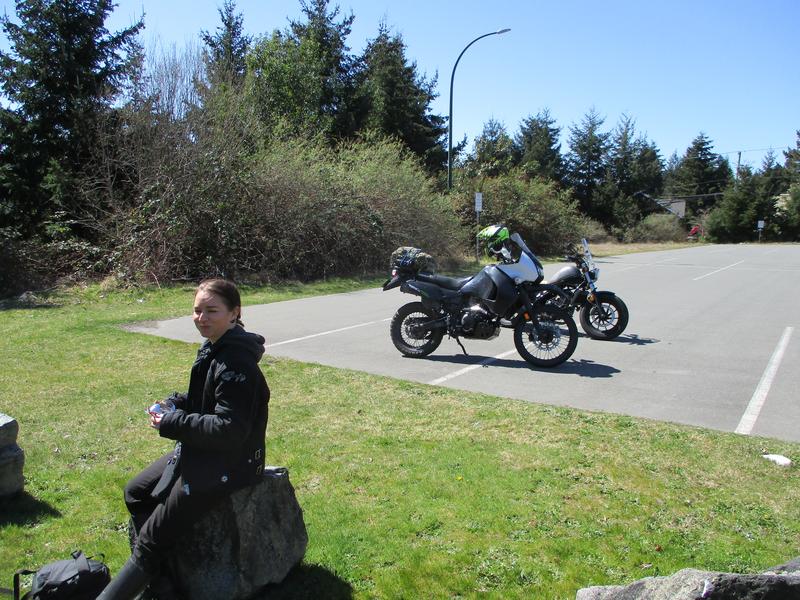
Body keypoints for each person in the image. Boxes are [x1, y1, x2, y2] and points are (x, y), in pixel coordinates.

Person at [98, 278, 270, 599]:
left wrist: (172, 421)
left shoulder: (236, 362)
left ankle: (147, 574)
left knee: (151, 535)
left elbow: (229, 429)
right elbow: (206, 400)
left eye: (211, 311)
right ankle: (162, 579)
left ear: (234, 313)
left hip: (230, 463)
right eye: (197, 310)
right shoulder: (216, 346)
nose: (201, 318)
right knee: (136, 492)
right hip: (205, 451)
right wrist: (174, 403)